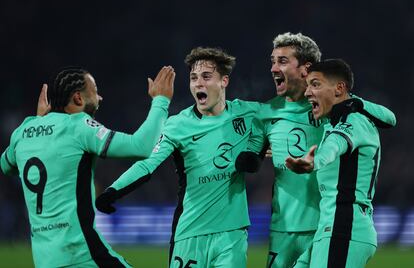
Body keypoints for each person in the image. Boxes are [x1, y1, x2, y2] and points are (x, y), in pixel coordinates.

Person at [235, 33, 396, 268]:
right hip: (287, 225)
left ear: (305, 68)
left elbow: (384, 121)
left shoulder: (337, 112)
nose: (273, 68)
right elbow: (252, 155)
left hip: (330, 221)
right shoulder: (270, 111)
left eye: (282, 61)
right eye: (272, 61)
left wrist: (357, 104)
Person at [95, 47, 261, 268]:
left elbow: (277, 123)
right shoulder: (177, 125)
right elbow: (148, 163)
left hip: (232, 234)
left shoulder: (246, 113)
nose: (198, 83)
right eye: (193, 78)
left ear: (224, 81)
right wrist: (112, 191)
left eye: (206, 76)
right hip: (189, 233)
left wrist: (258, 149)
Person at [0, 66, 175, 267]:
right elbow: (142, 146)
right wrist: (161, 101)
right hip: (82, 255)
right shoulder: (78, 126)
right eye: (95, 91)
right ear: (78, 98)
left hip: (44, 261)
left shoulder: (23, 131)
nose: (100, 98)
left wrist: (39, 122)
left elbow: (6, 166)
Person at [285, 59, 392, 267]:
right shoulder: (335, 124)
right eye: (307, 86)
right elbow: (390, 118)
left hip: (345, 230)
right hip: (329, 229)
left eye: (315, 84)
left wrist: (314, 161)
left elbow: (335, 146)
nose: (307, 92)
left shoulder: (353, 122)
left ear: (339, 89)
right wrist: (357, 102)